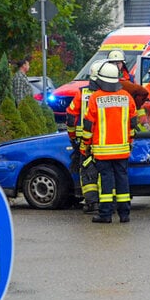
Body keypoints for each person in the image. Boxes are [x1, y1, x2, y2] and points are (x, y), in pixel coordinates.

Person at [82, 62, 135, 224]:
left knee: (106, 181)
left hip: (102, 150)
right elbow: (132, 124)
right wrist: (130, 141)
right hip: (122, 149)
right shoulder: (126, 97)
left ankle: (105, 215)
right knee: (122, 179)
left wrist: (86, 145)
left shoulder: (95, 98)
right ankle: (124, 214)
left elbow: (88, 126)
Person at [66, 60, 105, 214]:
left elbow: (70, 116)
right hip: (104, 139)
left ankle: (92, 203)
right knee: (105, 172)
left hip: (85, 142)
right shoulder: (108, 94)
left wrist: (73, 136)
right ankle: (106, 202)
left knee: (87, 171)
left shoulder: (82, 93)